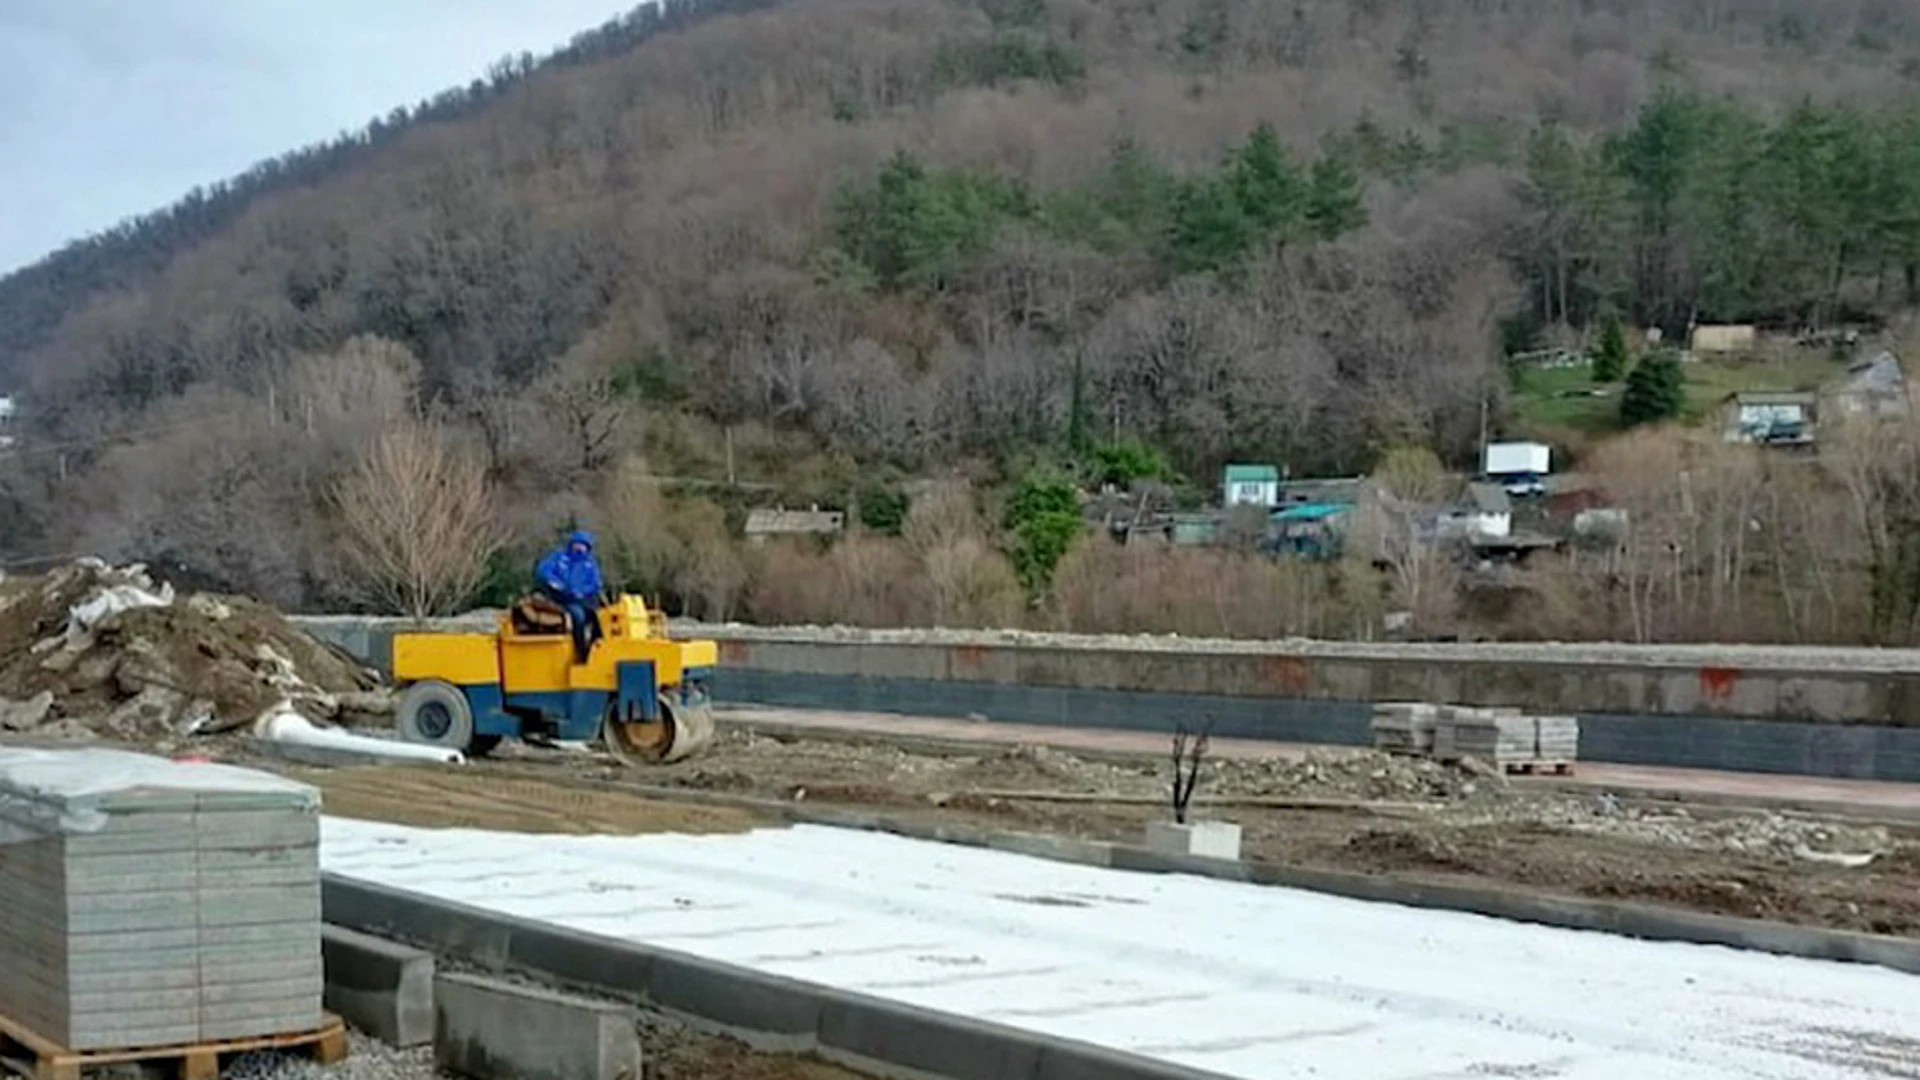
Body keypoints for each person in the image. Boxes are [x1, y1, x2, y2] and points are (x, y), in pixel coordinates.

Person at [533, 529, 606, 662]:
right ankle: (580, 652)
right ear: (571, 544)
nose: (579, 547)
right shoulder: (559, 557)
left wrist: (581, 592)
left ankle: (597, 650)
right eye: (577, 544)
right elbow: (543, 571)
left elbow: (595, 584)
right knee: (578, 616)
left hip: (582, 598)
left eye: (583, 545)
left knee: (599, 617)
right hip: (560, 598)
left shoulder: (589, 564)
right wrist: (556, 584)